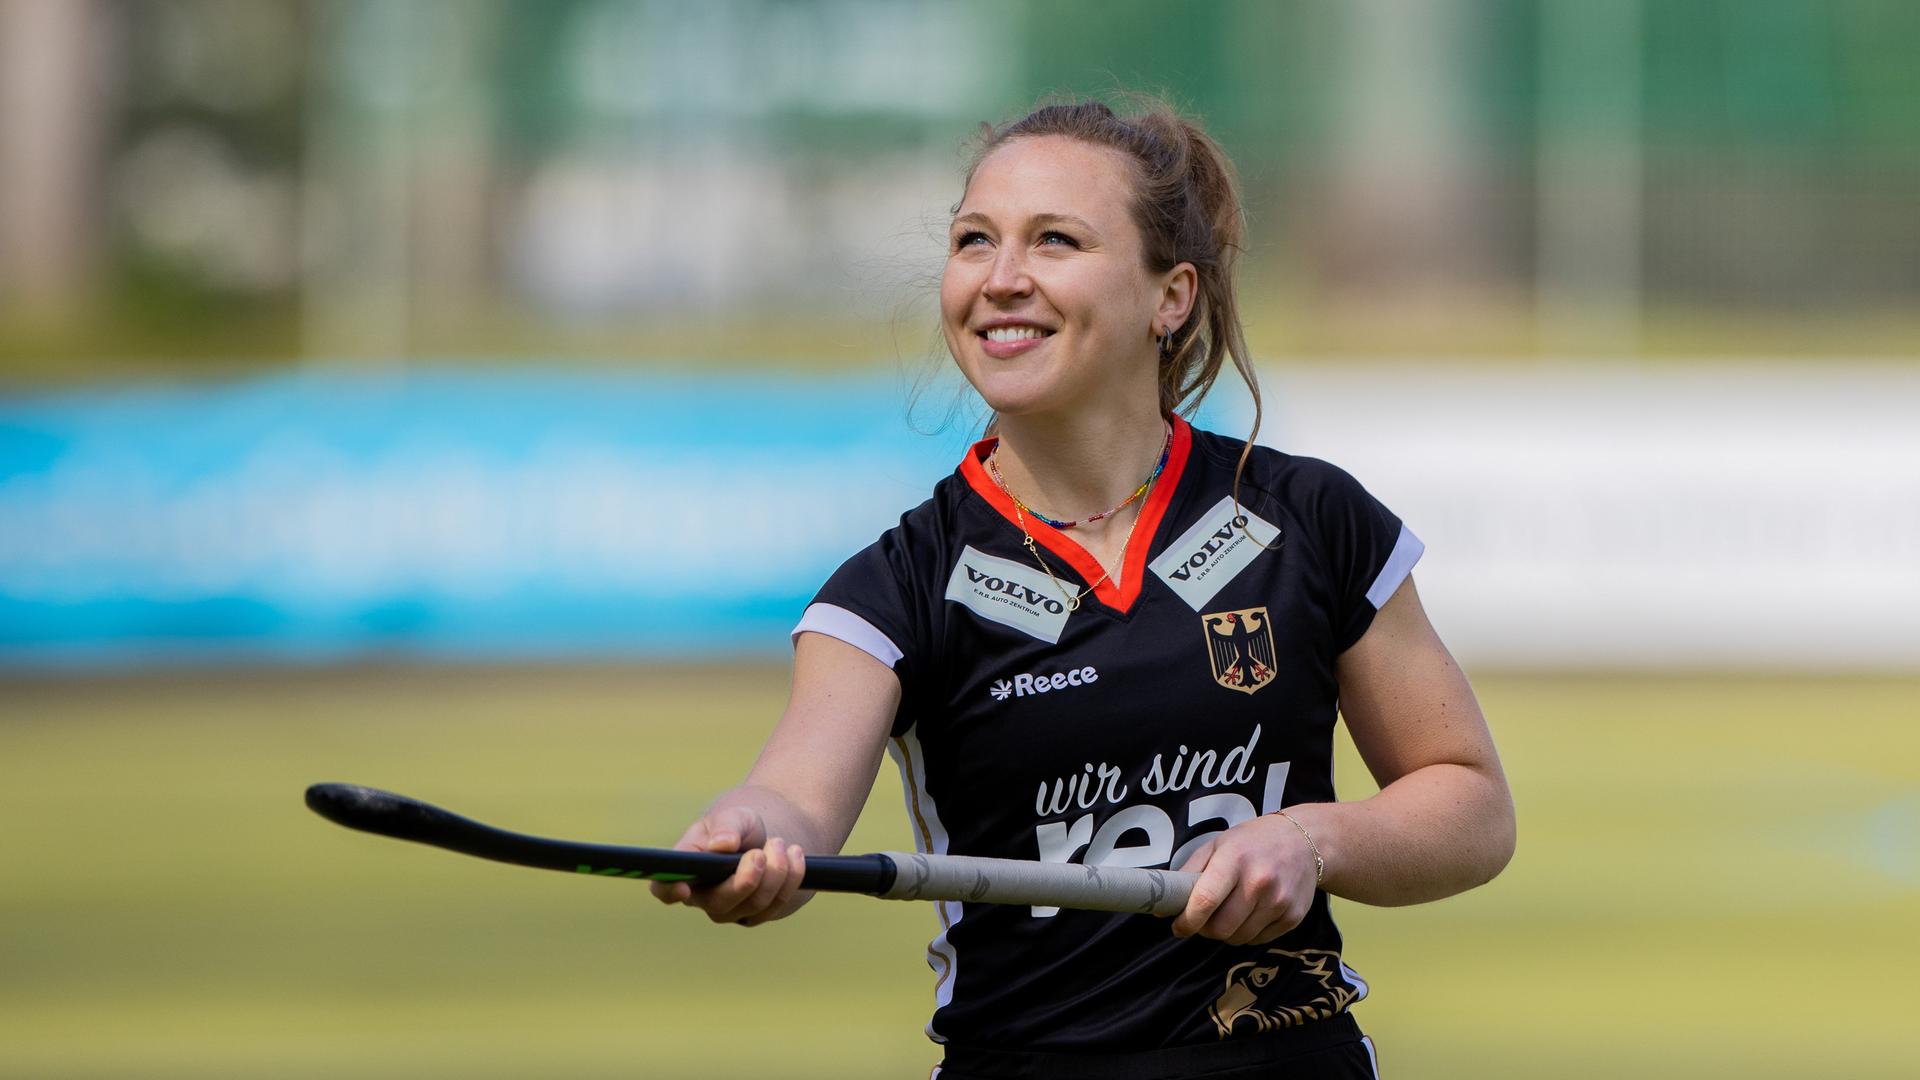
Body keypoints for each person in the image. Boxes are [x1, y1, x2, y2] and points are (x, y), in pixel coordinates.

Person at [652, 97, 1515, 1079]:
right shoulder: (896, 588)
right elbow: (794, 804)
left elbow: (1473, 807)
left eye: (1054, 240)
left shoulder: (1309, 520)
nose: (1002, 279)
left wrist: (1314, 841)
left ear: (1171, 297)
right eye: (974, 241)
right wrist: (751, 835)